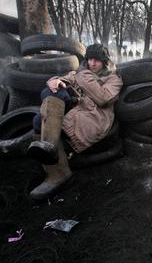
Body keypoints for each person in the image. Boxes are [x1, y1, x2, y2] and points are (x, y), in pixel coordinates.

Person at [27, 43, 123, 200]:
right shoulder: (80, 72)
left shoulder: (113, 78)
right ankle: (55, 165)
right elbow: (64, 80)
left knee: (46, 120)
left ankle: (53, 162)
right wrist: (55, 81)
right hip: (77, 110)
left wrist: (83, 76)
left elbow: (103, 98)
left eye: (97, 60)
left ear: (104, 62)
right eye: (90, 59)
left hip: (94, 117)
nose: (92, 63)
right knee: (44, 109)